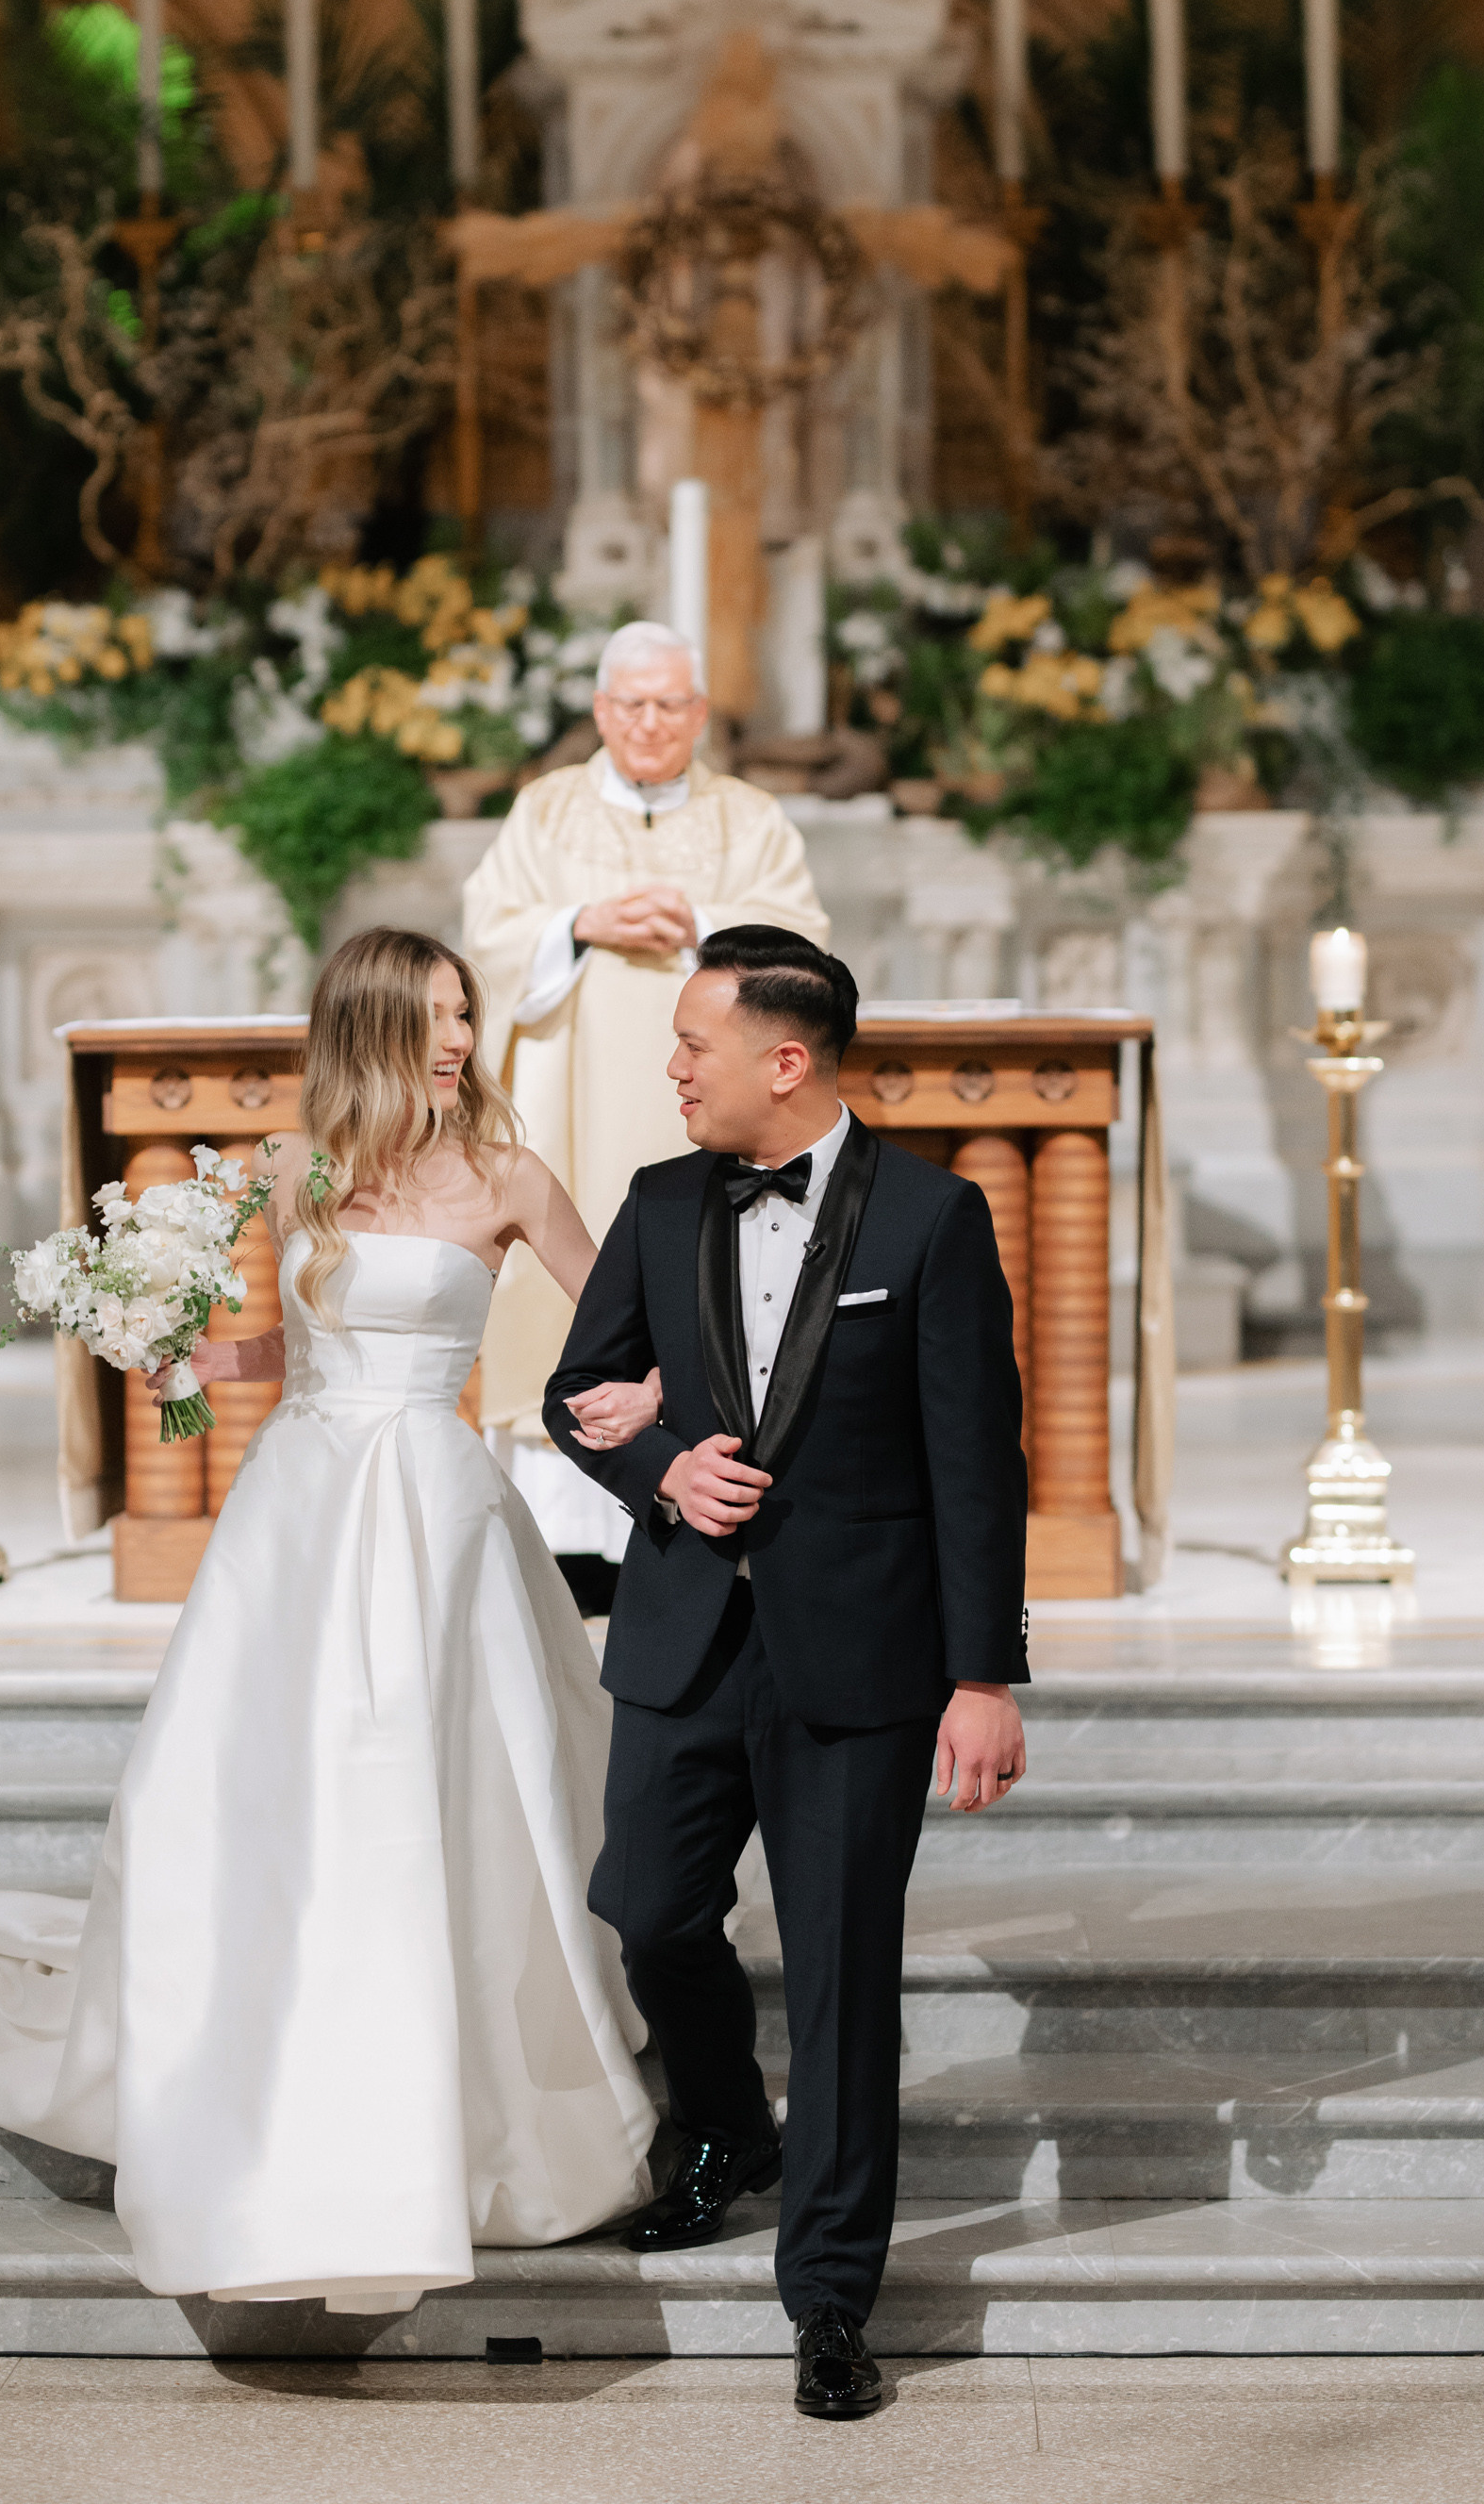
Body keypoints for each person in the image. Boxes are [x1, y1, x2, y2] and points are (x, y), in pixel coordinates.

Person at [0, 928, 663, 2313]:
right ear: (363, 1031)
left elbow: (629, 1328)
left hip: (436, 1510)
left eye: (464, 1013)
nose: (459, 1039)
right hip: (298, 1505)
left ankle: (464, 2088)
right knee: (250, 1791)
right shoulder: (299, 1170)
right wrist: (172, 1359)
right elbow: (285, 1349)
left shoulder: (509, 1175)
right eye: (427, 1019)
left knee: (453, 1785)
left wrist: (648, 1402)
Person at [545, 923, 1031, 2422]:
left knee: (837, 1981)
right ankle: (721, 2124)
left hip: (864, 1660)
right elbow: (576, 1395)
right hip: (686, 1636)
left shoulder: (935, 1223)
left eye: (694, 1043)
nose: (671, 1067)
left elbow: (977, 1465)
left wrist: (983, 1676)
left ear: (787, 1058)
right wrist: (659, 1477)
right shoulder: (656, 1198)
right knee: (647, 1908)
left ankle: (829, 2300)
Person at [463, 619, 829, 1602]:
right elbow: (483, 938)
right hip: (569, 1106)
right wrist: (577, 925)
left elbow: (803, 945)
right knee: (569, 1290)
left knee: (706, 1277)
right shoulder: (544, 812)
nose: (651, 722)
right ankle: (567, 1536)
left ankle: (700, 1512)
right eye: (631, 704)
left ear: (701, 713)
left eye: (671, 704)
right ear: (598, 710)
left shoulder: (747, 818)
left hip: (711, 1115)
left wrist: (705, 929)